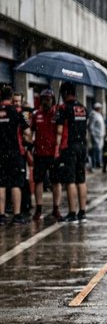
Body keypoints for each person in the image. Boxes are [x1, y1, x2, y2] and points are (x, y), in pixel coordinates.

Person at [55, 82, 89, 222]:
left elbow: (59, 131)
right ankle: (82, 212)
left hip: (69, 147)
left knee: (70, 180)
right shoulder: (83, 108)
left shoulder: (64, 109)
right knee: (81, 180)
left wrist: (57, 150)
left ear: (64, 94)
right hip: (82, 146)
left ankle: (72, 213)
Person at [0, 84, 32, 225]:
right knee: (15, 184)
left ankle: (0, 216)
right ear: (12, 97)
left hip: (0, 153)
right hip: (15, 153)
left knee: (0, 184)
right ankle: (17, 215)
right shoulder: (18, 112)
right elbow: (27, 132)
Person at [31, 89, 63, 222]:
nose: (46, 102)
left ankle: (56, 208)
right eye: (44, 99)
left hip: (53, 154)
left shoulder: (57, 114)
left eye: (48, 99)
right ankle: (38, 209)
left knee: (56, 182)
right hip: (39, 153)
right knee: (38, 181)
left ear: (53, 100)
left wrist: (57, 148)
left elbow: (60, 133)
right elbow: (29, 130)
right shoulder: (36, 114)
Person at [88, 102, 105, 170]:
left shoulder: (98, 115)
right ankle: (94, 165)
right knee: (95, 151)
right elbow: (91, 126)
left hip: (100, 136)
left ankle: (97, 163)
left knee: (98, 150)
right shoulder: (93, 115)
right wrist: (93, 136)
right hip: (96, 136)